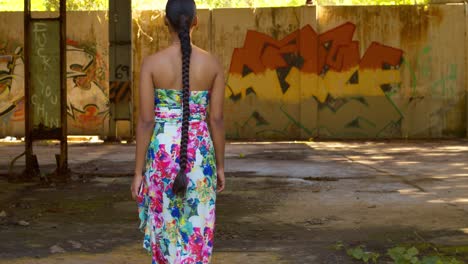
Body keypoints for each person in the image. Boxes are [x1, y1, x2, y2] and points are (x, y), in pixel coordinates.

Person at [130, 0, 226, 263]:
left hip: (162, 155)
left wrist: (138, 172)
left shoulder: (151, 64)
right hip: (199, 156)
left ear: (165, 21)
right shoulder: (213, 64)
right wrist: (219, 166)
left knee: (166, 225)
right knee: (197, 224)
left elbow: (146, 122)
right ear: (195, 22)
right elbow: (215, 120)